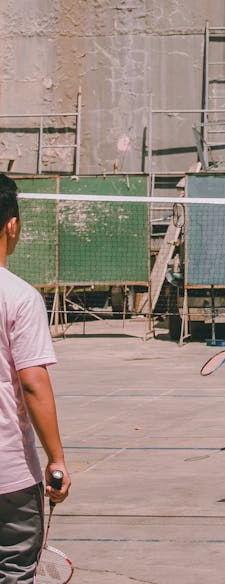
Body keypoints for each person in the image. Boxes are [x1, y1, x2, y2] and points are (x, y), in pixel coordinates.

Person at [0, 173, 71, 583]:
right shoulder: (19, 296)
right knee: (13, 570)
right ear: (13, 224)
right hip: (8, 475)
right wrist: (56, 458)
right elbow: (32, 382)